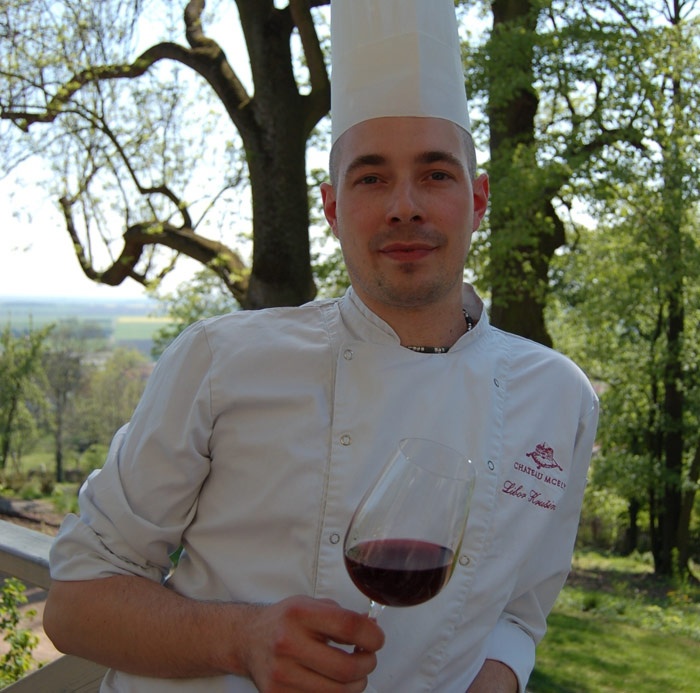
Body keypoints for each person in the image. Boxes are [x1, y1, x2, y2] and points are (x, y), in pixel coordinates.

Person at [43, 1, 599, 691]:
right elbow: (76, 603)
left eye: (436, 173)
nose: (404, 205)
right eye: (371, 177)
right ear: (333, 207)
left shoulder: (559, 398)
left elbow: (517, 617)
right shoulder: (220, 362)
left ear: (479, 200)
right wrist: (239, 640)